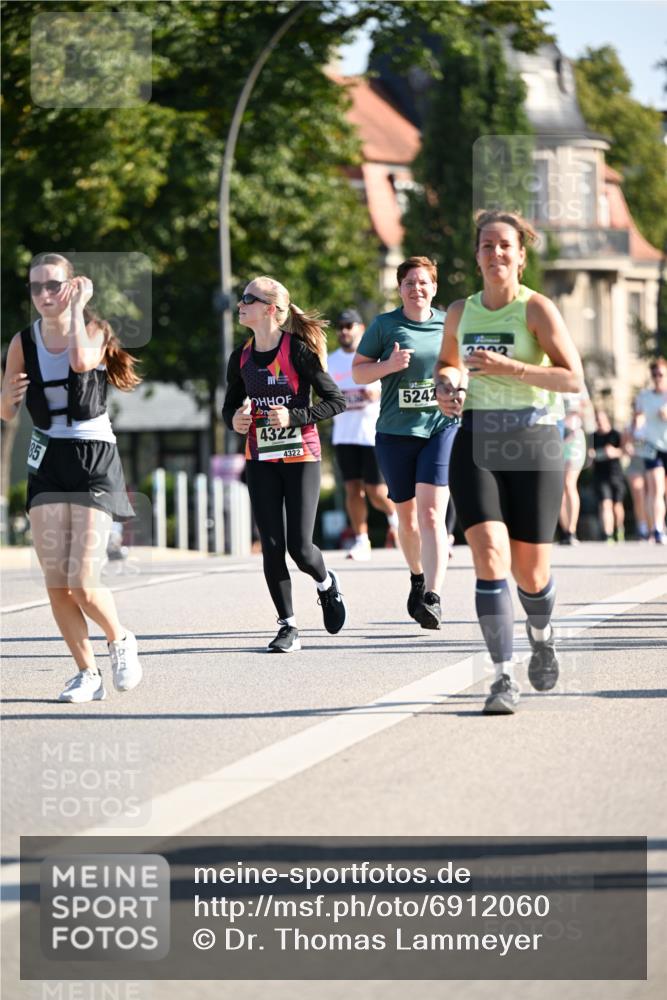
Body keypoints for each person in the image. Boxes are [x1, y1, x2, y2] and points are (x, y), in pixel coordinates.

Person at [435, 209, 583, 715]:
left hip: (532, 438)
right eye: (486, 246)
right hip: (476, 437)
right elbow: (446, 365)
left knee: (531, 573)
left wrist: (511, 368)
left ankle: (542, 634)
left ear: (520, 255)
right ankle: (501, 677)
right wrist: (448, 388)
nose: (495, 253)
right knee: (489, 556)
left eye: (505, 245)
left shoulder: (536, 309)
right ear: (476, 256)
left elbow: (572, 379)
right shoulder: (460, 311)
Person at [0, 253, 142, 703]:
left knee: (82, 580)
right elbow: (6, 411)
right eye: (36, 287)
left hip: (92, 454)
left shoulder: (94, 329)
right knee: (56, 581)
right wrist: (7, 395)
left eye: (53, 285)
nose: (44, 294)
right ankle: (86, 673)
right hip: (47, 457)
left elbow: (81, 363)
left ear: (73, 285)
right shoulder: (23, 340)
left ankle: (120, 639)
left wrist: (77, 309)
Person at [222, 276, 347, 652]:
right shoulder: (240, 357)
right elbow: (228, 406)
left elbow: (336, 400)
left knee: (300, 548)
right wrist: (234, 421)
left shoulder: (297, 352)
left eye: (248, 298)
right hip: (260, 457)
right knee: (272, 545)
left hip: (301, 456)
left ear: (270, 310)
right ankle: (288, 626)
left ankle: (326, 584)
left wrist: (294, 417)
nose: (240, 304)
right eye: (241, 298)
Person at [351, 257, 459, 630]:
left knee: (432, 514)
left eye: (424, 282)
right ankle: (417, 576)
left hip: (440, 426)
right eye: (410, 283)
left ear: (434, 287)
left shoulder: (449, 323)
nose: (417, 289)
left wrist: (458, 387)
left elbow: (465, 366)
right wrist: (389, 365)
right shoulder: (384, 325)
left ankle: (432, 596)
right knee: (407, 519)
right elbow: (358, 370)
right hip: (396, 433)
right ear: (400, 288)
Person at [328, 308, 399, 561]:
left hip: (370, 434)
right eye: (341, 326)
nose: (344, 331)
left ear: (360, 328)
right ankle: (361, 540)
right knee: (352, 490)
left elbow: (388, 386)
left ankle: (396, 521)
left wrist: (376, 394)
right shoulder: (330, 360)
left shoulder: (371, 357)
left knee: (376, 492)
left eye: (349, 326)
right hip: (344, 435)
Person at [632, 357, 667, 544]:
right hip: (652, 446)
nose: (657, 378)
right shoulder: (643, 397)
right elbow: (637, 420)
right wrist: (638, 424)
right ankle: (658, 529)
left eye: (660, 374)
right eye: (654, 375)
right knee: (656, 488)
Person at [558, 384, 594, 545]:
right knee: (559, 487)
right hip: (555, 438)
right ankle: (565, 531)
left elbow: (588, 410)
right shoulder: (549, 378)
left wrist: (576, 411)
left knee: (569, 483)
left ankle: (571, 530)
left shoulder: (577, 383)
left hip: (574, 437)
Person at [590, 409, 626, 543]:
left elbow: (625, 451)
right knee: (605, 504)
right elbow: (589, 459)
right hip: (600, 476)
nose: (599, 422)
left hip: (616, 475)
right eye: (597, 420)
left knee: (617, 506)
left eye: (601, 419)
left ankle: (619, 529)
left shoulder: (615, 434)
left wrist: (614, 452)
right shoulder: (592, 437)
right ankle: (608, 534)